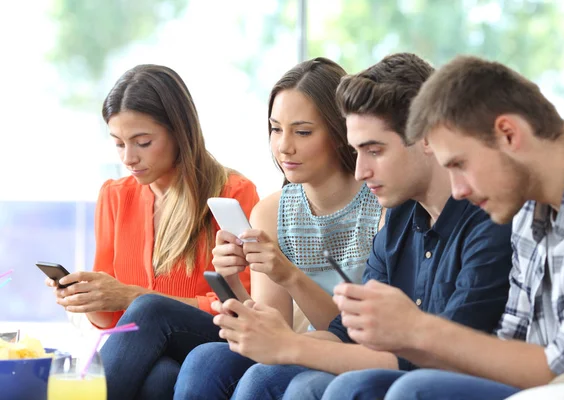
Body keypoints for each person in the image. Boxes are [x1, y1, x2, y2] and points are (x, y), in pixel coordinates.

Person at [175, 53, 514, 400]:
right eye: (358, 151)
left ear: (427, 138)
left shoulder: (487, 220)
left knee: (308, 385)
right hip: (395, 368)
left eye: (374, 151)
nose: (360, 171)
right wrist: (270, 333)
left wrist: (291, 346)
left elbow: (445, 357)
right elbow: (348, 332)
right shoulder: (399, 221)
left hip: (446, 378)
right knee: (227, 366)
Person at [332, 55, 564, 400]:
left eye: (460, 164)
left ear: (508, 134)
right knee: (363, 387)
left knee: (415, 390)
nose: (457, 190)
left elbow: (563, 369)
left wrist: (416, 328)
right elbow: (510, 342)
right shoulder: (525, 211)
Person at [173, 57, 384, 399]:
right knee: (204, 360)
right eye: (275, 129)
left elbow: (347, 334)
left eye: (302, 132)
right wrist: (231, 283)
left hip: (348, 349)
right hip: (295, 344)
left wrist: (288, 274)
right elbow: (274, 329)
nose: (284, 146)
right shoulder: (271, 211)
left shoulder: (380, 205)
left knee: (263, 378)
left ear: (340, 131)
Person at [46, 64, 259, 400]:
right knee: (161, 377)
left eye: (142, 142)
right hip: (152, 353)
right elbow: (114, 322)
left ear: (179, 132)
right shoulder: (115, 196)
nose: (129, 158)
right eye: (118, 144)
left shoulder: (232, 192)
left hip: (217, 338)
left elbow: (244, 304)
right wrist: (87, 299)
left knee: (150, 308)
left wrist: (132, 295)